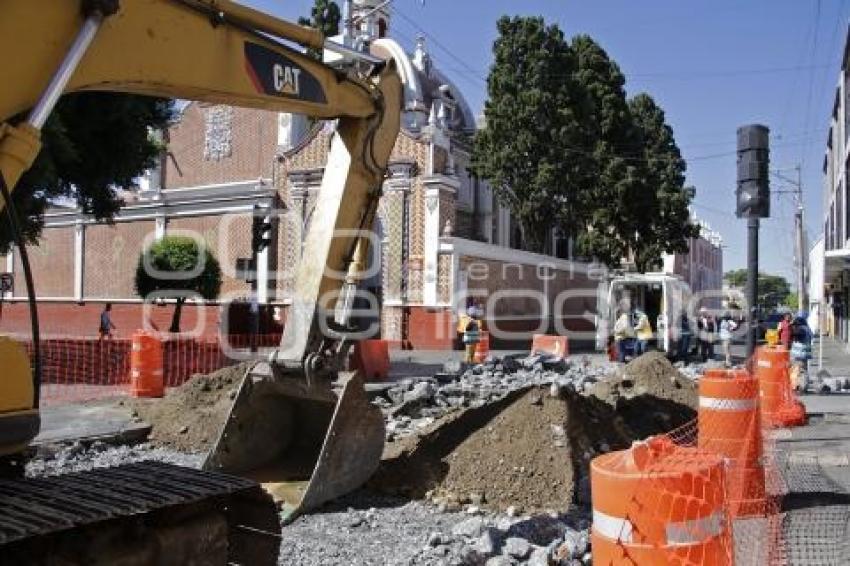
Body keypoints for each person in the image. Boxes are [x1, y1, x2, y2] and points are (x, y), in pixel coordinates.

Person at [790, 313, 813, 391]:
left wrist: (791, 329)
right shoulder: (807, 329)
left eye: (795, 324)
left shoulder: (801, 329)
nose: (794, 326)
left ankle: (801, 387)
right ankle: (801, 386)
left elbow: (796, 334)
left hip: (799, 354)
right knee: (802, 370)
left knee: (800, 371)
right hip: (804, 354)